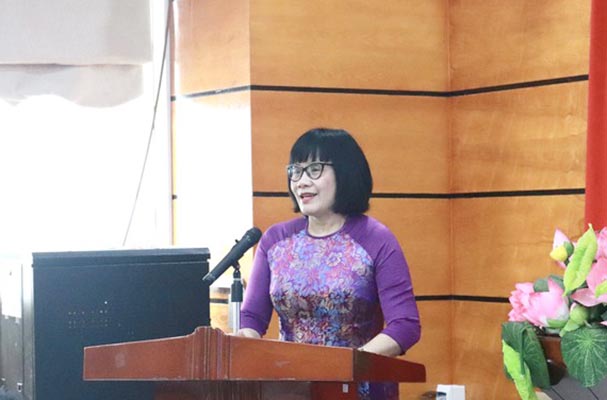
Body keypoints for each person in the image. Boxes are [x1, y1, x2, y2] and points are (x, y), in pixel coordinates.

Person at [238, 127, 421, 400]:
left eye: (314, 169)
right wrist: (247, 344)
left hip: (357, 390)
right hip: (290, 391)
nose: (301, 181)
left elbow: (405, 325)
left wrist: (345, 366)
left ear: (345, 173)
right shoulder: (275, 240)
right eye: (295, 171)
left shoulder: (376, 239)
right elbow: (252, 318)